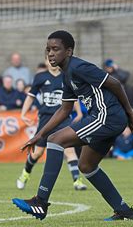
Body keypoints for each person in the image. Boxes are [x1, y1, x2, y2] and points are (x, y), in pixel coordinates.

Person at [13, 30, 133, 221]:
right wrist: (39, 135)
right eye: (48, 49)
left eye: (56, 49)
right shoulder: (67, 75)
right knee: (86, 165)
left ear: (69, 51)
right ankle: (125, 211)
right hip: (108, 118)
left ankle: (40, 201)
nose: (50, 53)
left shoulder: (79, 67)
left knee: (56, 140)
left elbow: (114, 83)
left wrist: (129, 111)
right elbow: (64, 110)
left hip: (106, 116)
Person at [16, 56, 87, 191]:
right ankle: (25, 174)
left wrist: (79, 113)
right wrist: (23, 113)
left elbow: (73, 96)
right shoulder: (40, 77)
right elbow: (31, 96)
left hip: (63, 117)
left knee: (69, 149)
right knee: (37, 153)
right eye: (49, 59)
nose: (52, 62)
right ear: (45, 61)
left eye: (54, 59)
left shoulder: (66, 76)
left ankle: (77, 180)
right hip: (46, 118)